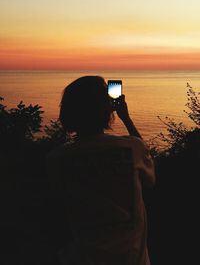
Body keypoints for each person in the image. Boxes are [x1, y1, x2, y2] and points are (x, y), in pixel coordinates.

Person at [46, 75, 155, 265]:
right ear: (108, 109)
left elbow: (57, 213)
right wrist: (126, 119)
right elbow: (150, 176)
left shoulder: (57, 159)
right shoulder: (131, 149)